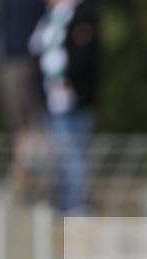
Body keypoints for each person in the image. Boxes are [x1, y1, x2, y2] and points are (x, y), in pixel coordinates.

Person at [29, 0, 98, 214]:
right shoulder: (47, 19)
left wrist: (68, 81)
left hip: (76, 99)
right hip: (52, 100)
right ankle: (64, 204)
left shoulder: (83, 14)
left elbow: (83, 55)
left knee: (73, 154)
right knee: (62, 157)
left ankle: (75, 207)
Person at [0, 0, 46, 185]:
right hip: (9, 61)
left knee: (34, 119)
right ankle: (23, 168)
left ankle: (35, 170)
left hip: (31, 62)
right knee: (17, 120)